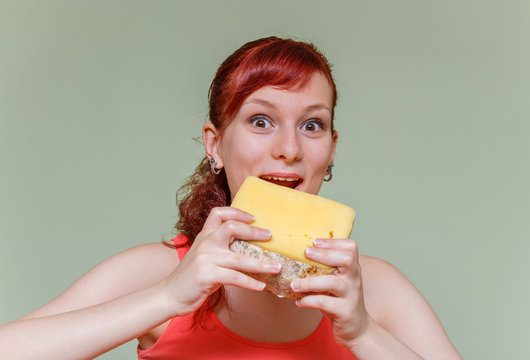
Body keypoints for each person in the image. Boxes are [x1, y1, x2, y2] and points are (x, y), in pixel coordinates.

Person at [0, 36, 462, 359]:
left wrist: (364, 334)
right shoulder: (158, 272)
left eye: (312, 124)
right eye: (261, 120)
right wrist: (166, 298)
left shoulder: (375, 290)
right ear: (215, 144)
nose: (289, 148)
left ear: (332, 150)